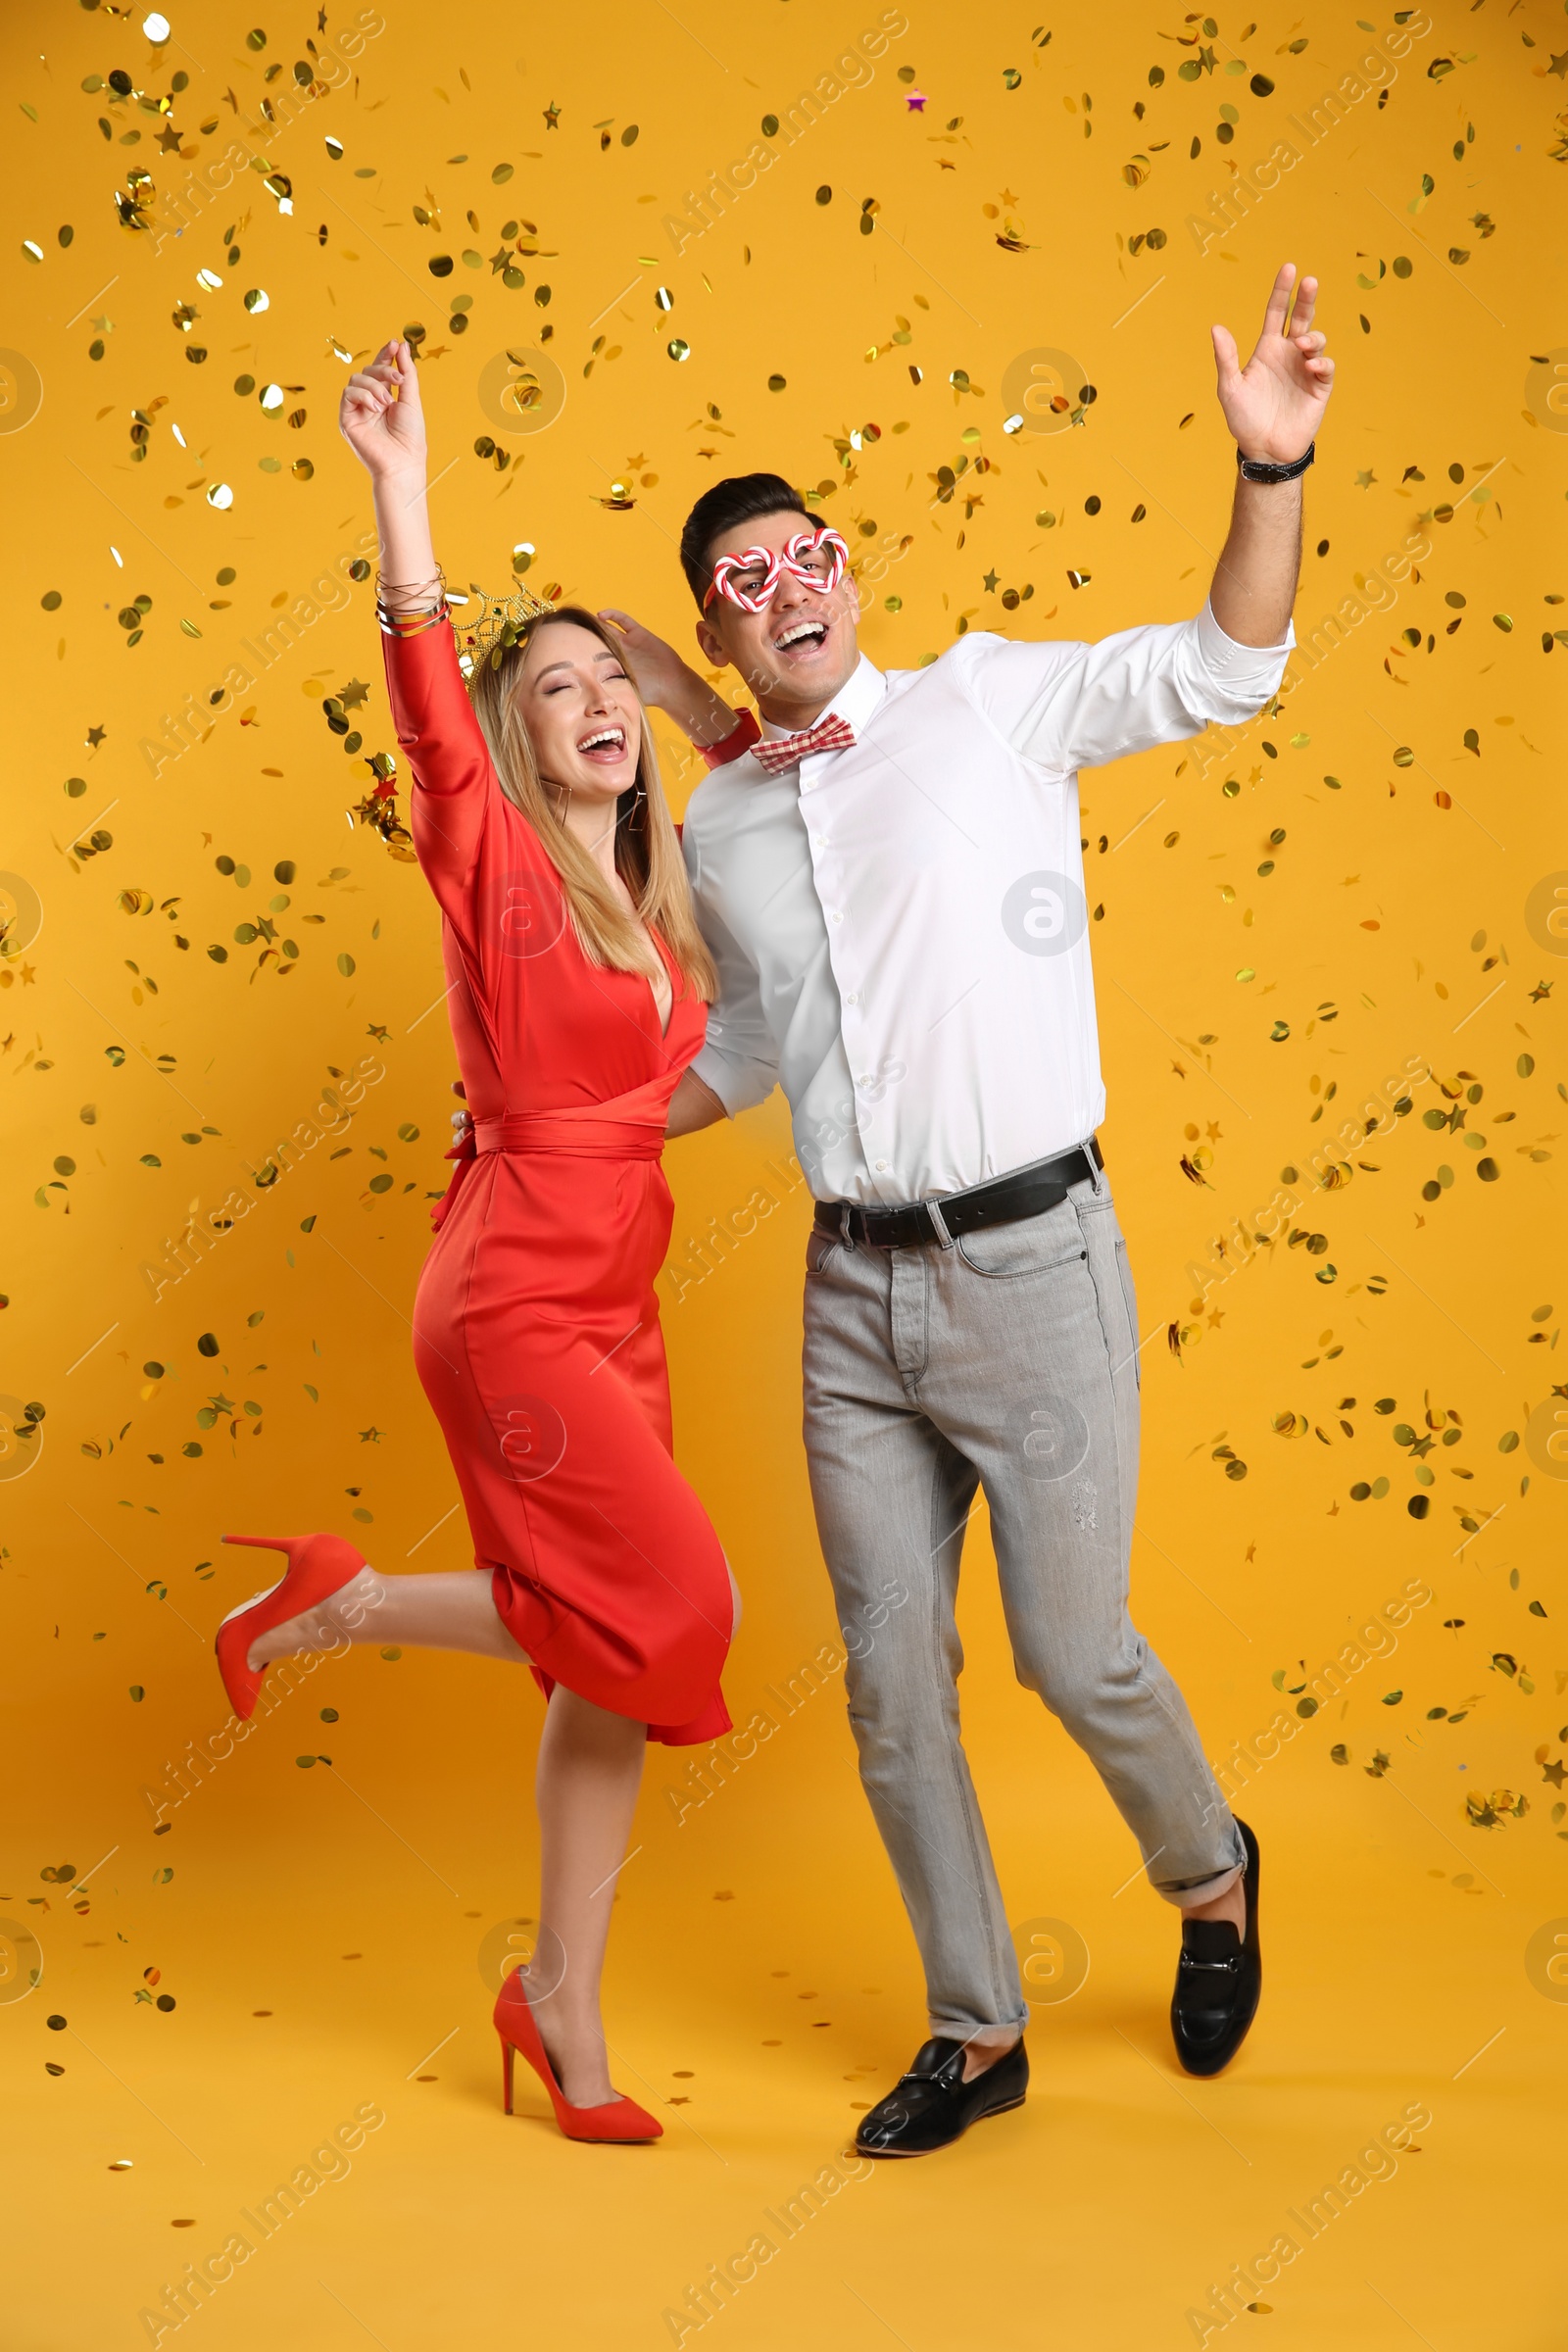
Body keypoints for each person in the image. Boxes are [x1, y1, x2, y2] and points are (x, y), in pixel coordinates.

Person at [664, 265, 1335, 2155]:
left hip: (1035, 1265)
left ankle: (1208, 1872)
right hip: (848, 1302)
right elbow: (747, 1046)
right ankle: (977, 2031)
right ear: (722, 638)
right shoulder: (722, 826)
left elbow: (1227, 666)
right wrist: (586, 1120)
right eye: (742, 586)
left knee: (1073, 1651)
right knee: (892, 1694)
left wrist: (1268, 470)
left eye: (803, 556)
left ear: (844, 568)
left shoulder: (992, 704)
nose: (784, 591)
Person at [216, 338, 749, 2145]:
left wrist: (681, 685)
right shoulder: (494, 859)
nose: (595, 701)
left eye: (614, 682)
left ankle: (562, 2014)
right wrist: (403, 502)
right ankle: (350, 1603)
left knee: (603, 1661)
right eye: (560, 688)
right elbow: (432, 714)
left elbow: (765, 754)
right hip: (515, 1298)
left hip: (620, 1300)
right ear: (518, 743)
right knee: (675, 1617)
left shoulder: (658, 903)